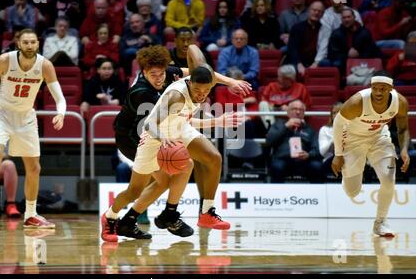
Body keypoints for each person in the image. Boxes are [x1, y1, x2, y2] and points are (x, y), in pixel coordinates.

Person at [103, 44, 249, 242]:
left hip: (177, 127)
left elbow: (193, 50)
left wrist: (227, 90)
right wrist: (164, 139)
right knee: (136, 190)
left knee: (212, 158)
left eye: (206, 91)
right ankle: (111, 216)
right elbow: (149, 124)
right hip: (152, 135)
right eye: (197, 91)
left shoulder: (198, 81)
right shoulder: (169, 95)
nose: (200, 95)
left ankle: (203, 212)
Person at [0, 29, 66, 229]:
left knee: (34, 168)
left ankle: (31, 214)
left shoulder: (45, 65)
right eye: (25, 42)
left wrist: (61, 113)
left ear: (38, 44)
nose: (30, 45)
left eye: (33, 42)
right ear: (18, 44)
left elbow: (59, 97)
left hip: (25, 117)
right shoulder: (5, 60)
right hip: (1, 112)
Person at [331, 71, 410, 237]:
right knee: (352, 191)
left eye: (383, 88)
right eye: (375, 88)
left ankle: (380, 222)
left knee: (389, 179)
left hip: (379, 137)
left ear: (391, 88)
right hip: (353, 140)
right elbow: (338, 124)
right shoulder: (357, 102)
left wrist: (403, 150)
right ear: (371, 87)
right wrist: (338, 155)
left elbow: (403, 128)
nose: (379, 92)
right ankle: (349, 176)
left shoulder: (400, 102)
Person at [265, 99, 323, 183]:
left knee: (317, 166)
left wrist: (308, 155)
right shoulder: (278, 125)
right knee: (276, 166)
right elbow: (269, 141)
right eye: (294, 109)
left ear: (304, 114)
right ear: (288, 112)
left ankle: (317, 194)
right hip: (283, 159)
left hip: (303, 162)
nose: (298, 112)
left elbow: (316, 149)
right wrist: (286, 126)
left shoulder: (310, 130)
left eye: (301, 110)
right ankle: (277, 195)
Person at [318, 102, 343, 180]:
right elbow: (322, 152)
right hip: (329, 161)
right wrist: (334, 139)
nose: (336, 115)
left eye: (339, 112)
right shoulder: (325, 130)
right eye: (334, 113)